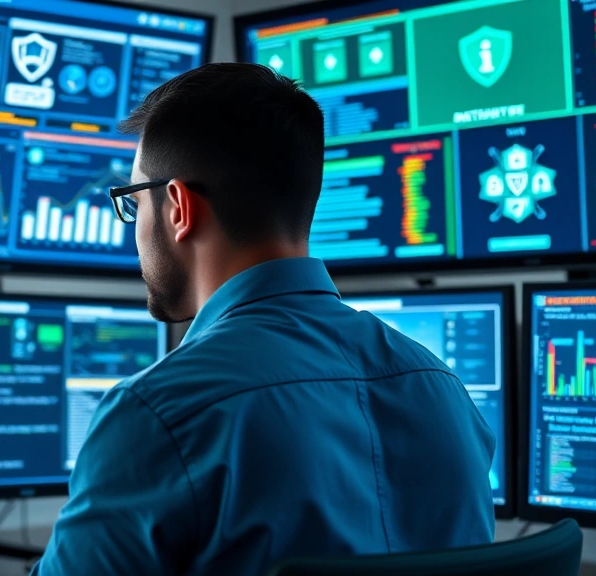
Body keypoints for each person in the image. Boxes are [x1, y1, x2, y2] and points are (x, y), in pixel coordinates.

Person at [31, 63, 495, 576]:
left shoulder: (156, 415)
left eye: (134, 202)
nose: (134, 226)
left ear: (178, 207)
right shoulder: (444, 389)